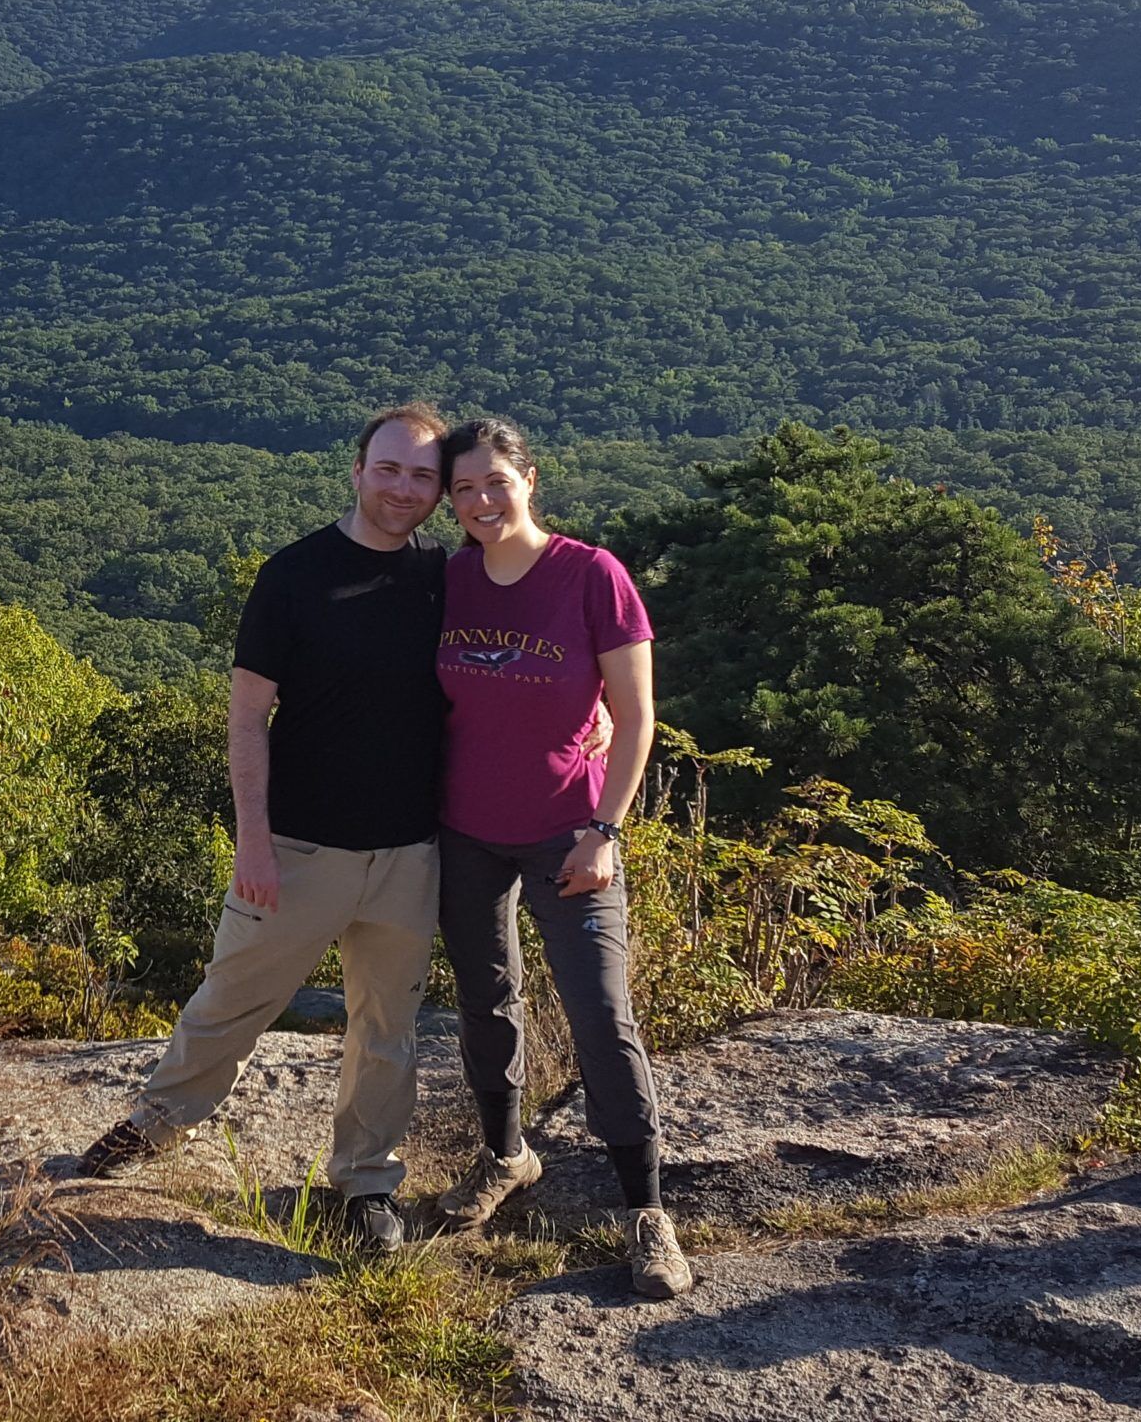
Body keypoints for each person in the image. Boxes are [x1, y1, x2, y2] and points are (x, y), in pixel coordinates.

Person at [72, 403, 457, 1254]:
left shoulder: (447, 579)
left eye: (423, 475)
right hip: (298, 846)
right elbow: (248, 718)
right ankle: (155, 1124)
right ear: (356, 470)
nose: (403, 488)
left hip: (410, 852)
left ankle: (365, 1182)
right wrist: (252, 840)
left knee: (386, 1028)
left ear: (441, 490)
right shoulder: (294, 575)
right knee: (232, 999)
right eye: (388, 469)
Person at [427, 415, 693, 1300]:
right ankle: (507, 1156)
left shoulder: (591, 576)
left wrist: (605, 831)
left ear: (529, 479)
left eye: (493, 482)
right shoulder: (451, 579)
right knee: (484, 1000)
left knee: (601, 1017)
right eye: (461, 489)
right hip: (465, 830)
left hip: (569, 832)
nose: (478, 502)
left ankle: (645, 1213)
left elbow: (637, 715)